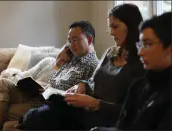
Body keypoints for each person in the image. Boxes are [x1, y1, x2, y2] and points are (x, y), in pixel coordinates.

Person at [17, 3, 145, 130]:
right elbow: (92, 81)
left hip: (105, 121)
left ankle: (25, 121)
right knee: (55, 103)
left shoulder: (142, 63)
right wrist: (82, 84)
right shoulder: (110, 52)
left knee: (47, 116)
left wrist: (95, 104)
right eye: (110, 27)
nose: (111, 32)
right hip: (86, 112)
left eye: (115, 26)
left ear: (131, 26)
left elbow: (133, 111)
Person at [0, 21, 99, 131]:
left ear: (89, 40)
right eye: (69, 41)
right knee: (4, 83)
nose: (71, 45)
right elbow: (54, 79)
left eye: (75, 40)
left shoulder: (94, 66)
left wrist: (50, 92)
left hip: (48, 105)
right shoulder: (73, 60)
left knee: (6, 115)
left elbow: (81, 97)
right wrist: (44, 89)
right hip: (39, 94)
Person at [91, 11, 172, 131]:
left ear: (169, 49)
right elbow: (122, 127)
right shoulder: (138, 87)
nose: (140, 52)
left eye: (148, 44)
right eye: (140, 45)